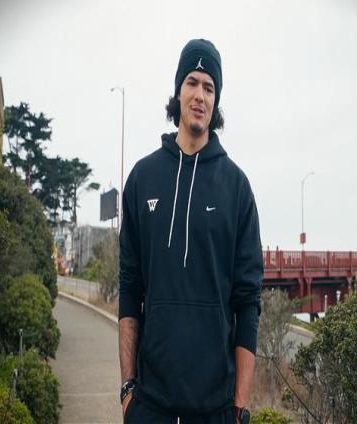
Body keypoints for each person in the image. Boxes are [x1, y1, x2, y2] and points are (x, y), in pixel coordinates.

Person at [118, 38, 263, 424]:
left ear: (216, 101)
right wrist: (128, 389)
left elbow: (248, 302)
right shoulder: (143, 178)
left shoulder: (237, 188)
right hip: (150, 406)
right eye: (192, 83)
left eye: (209, 87)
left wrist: (239, 406)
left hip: (215, 410)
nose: (200, 95)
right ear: (178, 91)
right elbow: (130, 287)